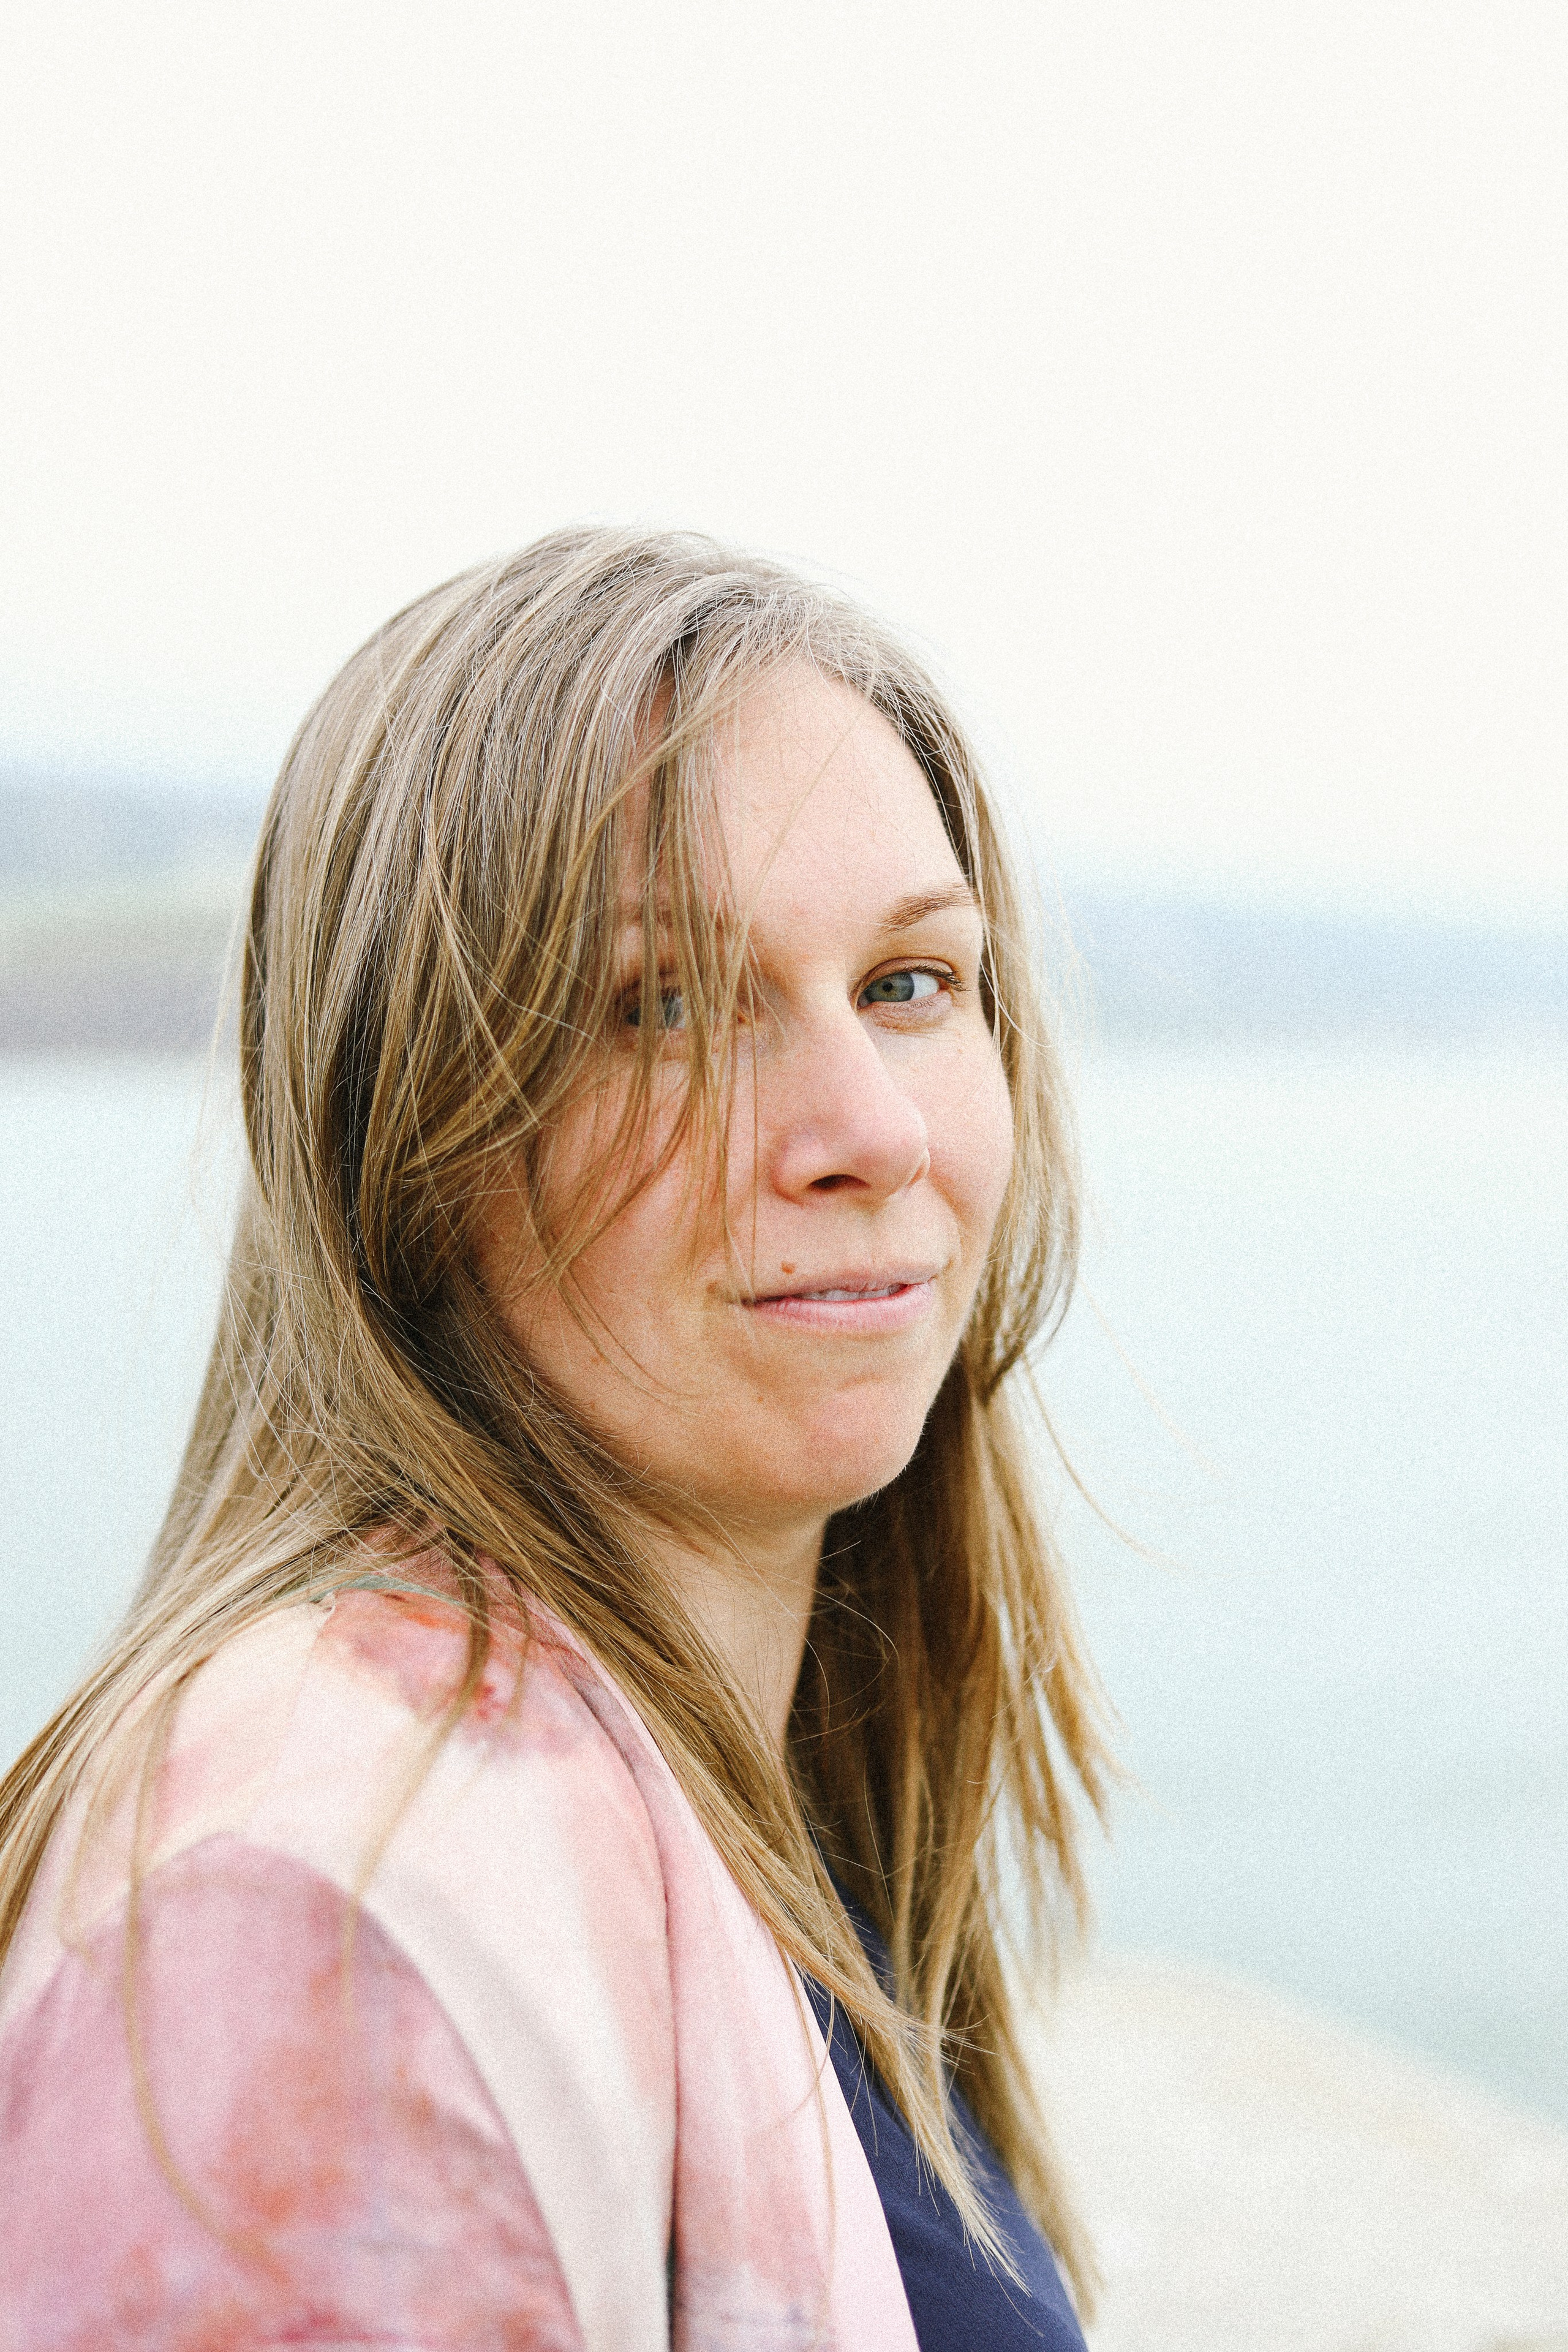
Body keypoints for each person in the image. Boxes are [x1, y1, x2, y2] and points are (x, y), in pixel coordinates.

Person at [0, 530, 1114, 2348]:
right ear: (404, 1139)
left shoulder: (777, 1809)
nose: (870, 1132)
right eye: (664, 1004)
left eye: (911, 985)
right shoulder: (316, 1917)